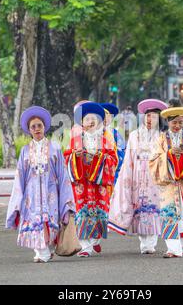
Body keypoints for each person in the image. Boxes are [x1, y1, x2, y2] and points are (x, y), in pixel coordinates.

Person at [5, 106, 76, 263]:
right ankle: (42, 251)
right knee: (35, 222)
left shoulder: (55, 148)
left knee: (50, 222)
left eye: (39, 126)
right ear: (29, 130)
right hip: (31, 196)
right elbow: (20, 176)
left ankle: (45, 250)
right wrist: (18, 199)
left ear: (44, 128)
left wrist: (66, 199)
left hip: (50, 194)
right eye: (33, 127)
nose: (37, 129)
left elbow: (63, 175)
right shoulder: (24, 151)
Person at [108, 99, 168, 254]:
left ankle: (151, 243)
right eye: (148, 116)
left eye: (154, 116)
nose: (150, 119)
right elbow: (129, 157)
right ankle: (144, 242)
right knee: (140, 208)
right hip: (137, 177)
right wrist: (126, 176)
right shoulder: (134, 135)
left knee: (154, 208)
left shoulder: (162, 137)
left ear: (159, 119)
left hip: (155, 177)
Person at [64, 102, 118, 257]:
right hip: (82, 183)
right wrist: (76, 156)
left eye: (95, 118)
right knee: (82, 212)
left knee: (100, 213)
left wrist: (99, 158)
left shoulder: (106, 140)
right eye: (87, 118)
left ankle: (95, 240)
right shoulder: (75, 139)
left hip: (98, 184)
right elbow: (66, 157)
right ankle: (85, 247)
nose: (91, 121)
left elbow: (113, 159)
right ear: (82, 122)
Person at [149, 106, 183, 258]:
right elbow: (153, 160)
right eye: (174, 122)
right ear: (168, 122)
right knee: (170, 214)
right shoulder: (160, 139)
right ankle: (173, 248)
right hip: (169, 184)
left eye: (180, 122)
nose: (178, 126)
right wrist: (169, 154)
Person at [101, 103, 126, 184]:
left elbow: (121, 155)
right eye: (102, 115)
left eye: (108, 116)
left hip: (112, 176)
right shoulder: (91, 133)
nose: (105, 119)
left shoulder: (115, 134)